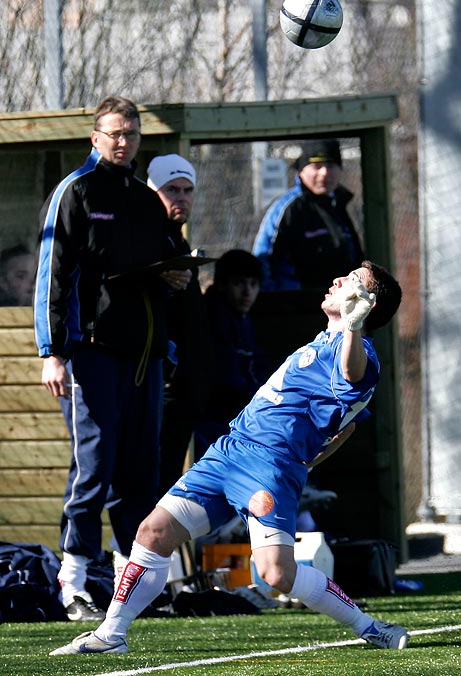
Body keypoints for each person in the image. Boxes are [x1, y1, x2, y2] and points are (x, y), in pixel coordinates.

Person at [50, 259, 409, 655]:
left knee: (276, 574)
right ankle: (110, 635)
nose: (338, 279)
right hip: (229, 450)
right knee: (153, 531)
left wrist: (354, 329)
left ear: (366, 304)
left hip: (267, 466)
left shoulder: (360, 355)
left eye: (353, 281)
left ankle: (370, 627)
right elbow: (349, 425)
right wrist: (312, 459)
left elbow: (353, 376)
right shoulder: (324, 341)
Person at [34, 96, 192, 621]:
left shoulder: (146, 201)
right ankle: (73, 583)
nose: (122, 141)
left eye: (131, 133)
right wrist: (52, 352)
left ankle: (132, 588)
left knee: (138, 471)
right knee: (93, 468)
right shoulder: (74, 192)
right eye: (113, 133)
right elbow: (52, 277)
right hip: (91, 354)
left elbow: (158, 277)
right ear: (95, 137)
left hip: (143, 358)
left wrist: (174, 280)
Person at [146, 153, 213, 496]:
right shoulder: (145, 239)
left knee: (172, 470)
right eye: (172, 189)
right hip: (163, 381)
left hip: (185, 382)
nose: (182, 197)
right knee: (153, 471)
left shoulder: (177, 239)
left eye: (188, 190)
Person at [252, 139, 364, 291]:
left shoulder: (340, 206)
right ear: (301, 170)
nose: (324, 173)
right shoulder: (288, 208)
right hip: (297, 307)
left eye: (331, 166)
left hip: (339, 304)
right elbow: (262, 258)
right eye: (317, 166)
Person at [194, 249, 268, 459]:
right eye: (239, 283)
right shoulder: (213, 319)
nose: (247, 292)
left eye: (253, 284)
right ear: (221, 284)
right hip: (217, 413)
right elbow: (225, 376)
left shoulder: (243, 320)